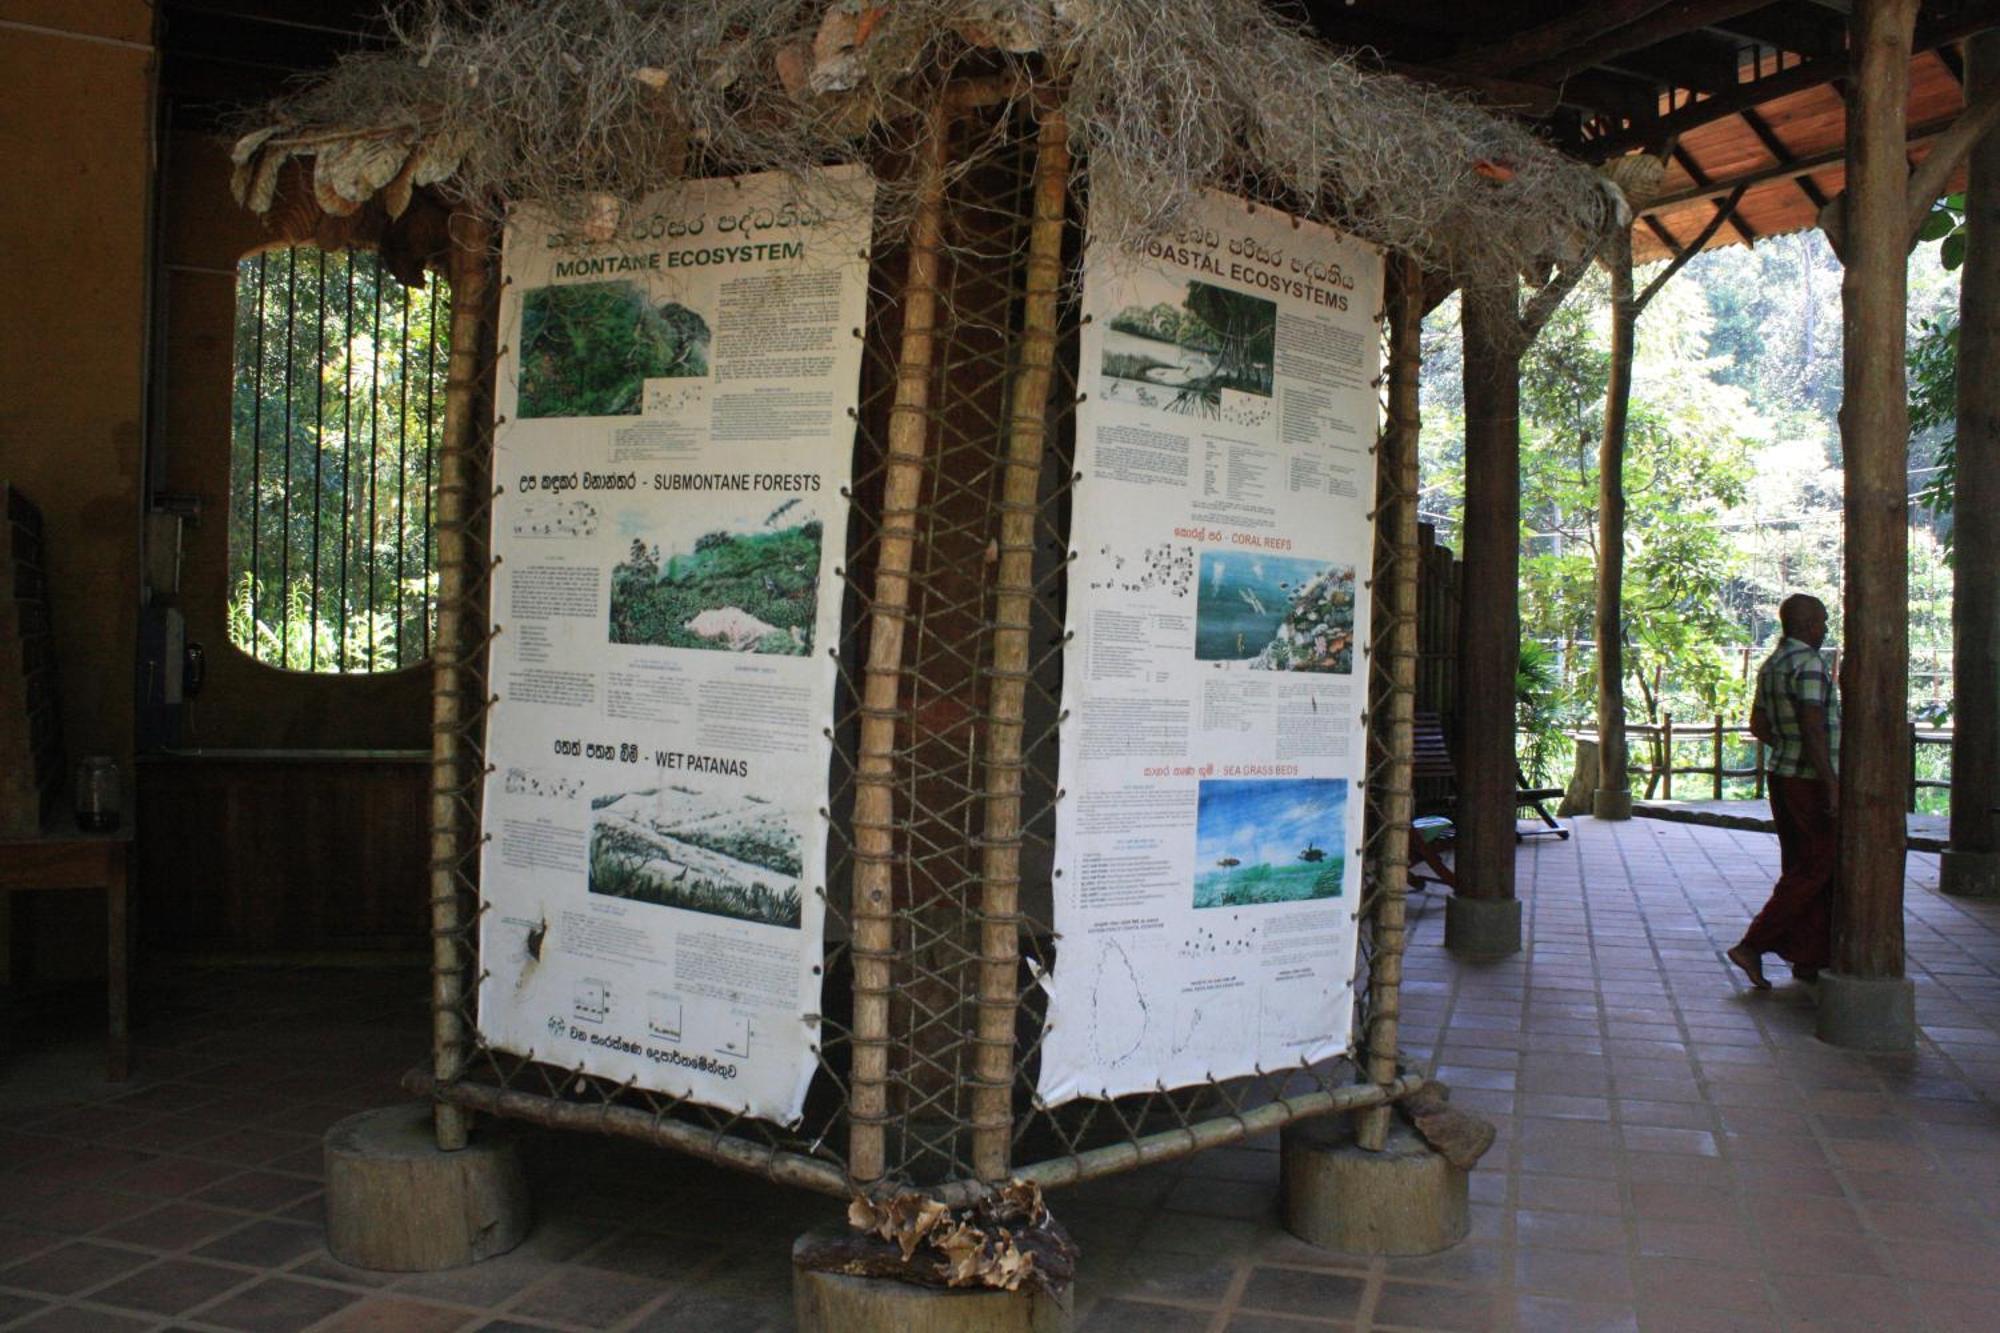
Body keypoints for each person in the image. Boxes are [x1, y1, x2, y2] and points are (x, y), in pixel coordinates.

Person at [1728, 594, 1838, 989]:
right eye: (1822, 621)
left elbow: (1759, 724)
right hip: (1807, 780)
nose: (1825, 629)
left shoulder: (1773, 663)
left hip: (1781, 774)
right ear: (1807, 624)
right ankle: (1753, 944)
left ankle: (1809, 956)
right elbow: (1813, 726)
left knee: (1800, 866)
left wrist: (1787, 746)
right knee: (1818, 865)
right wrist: (1830, 781)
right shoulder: (1809, 662)